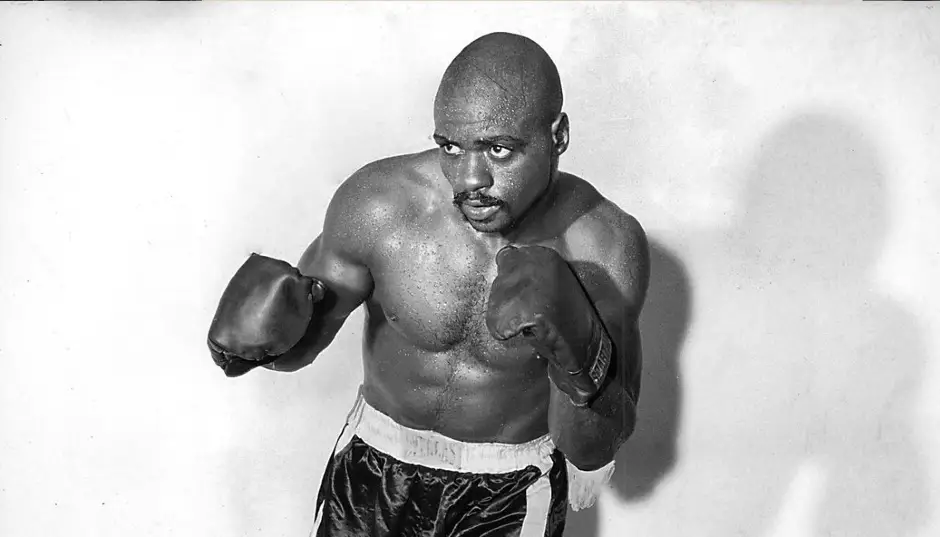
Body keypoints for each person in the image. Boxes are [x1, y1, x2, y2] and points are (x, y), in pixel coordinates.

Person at [208, 32, 649, 537]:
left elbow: (593, 446)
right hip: (373, 466)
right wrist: (255, 345)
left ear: (558, 135)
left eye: (499, 150)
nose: (468, 178)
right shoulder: (380, 207)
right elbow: (297, 348)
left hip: (507, 490)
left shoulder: (603, 246)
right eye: (451, 147)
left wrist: (580, 359)